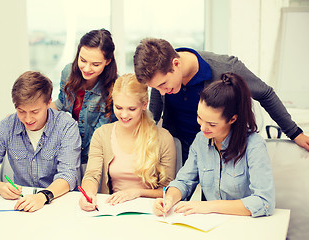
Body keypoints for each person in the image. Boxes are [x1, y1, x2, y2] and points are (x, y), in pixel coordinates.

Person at [133, 38, 309, 164]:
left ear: (176, 64)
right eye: (156, 88)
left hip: (221, 154)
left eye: (163, 84)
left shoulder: (226, 68)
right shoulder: (161, 79)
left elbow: (266, 94)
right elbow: (155, 113)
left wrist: (295, 133)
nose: (163, 91)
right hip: (182, 151)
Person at [153, 72, 275, 217]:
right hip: (210, 226)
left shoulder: (254, 146)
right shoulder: (200, 140)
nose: (203, 128)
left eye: (212, 124)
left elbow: (264, 202)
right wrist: (168, 199)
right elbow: (184, 181)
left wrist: (210, 206)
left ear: (232, 119)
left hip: (244, 226)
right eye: (199, 117)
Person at [0, 71, 81, 212]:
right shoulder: (7, 126)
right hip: (22, 205)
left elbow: (68, 176)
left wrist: (42, 197)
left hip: (58, 203)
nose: (28, 119)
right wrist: (0, 187)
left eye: (35, 112)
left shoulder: (66, 126)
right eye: (21, 111)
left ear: (48, 103)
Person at [79, 73, 176, 211]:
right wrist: (87, 194)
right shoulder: (102, 135)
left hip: (150, 211)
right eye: (118, 108)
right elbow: (92, 176)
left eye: (131, 109)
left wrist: (137, 193)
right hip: (113, 210)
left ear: (144, 104)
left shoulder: (164, 138)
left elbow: (169, 190)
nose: (124, 115)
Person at [50, 29, 118, 173]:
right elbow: (61, 104)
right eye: (83, 60)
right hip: (68, 150)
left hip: (96, 156)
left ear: (108, 61)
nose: (86, 68)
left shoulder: (115, 86)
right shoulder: (68, 73)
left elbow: (102, 135)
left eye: (95, 64)